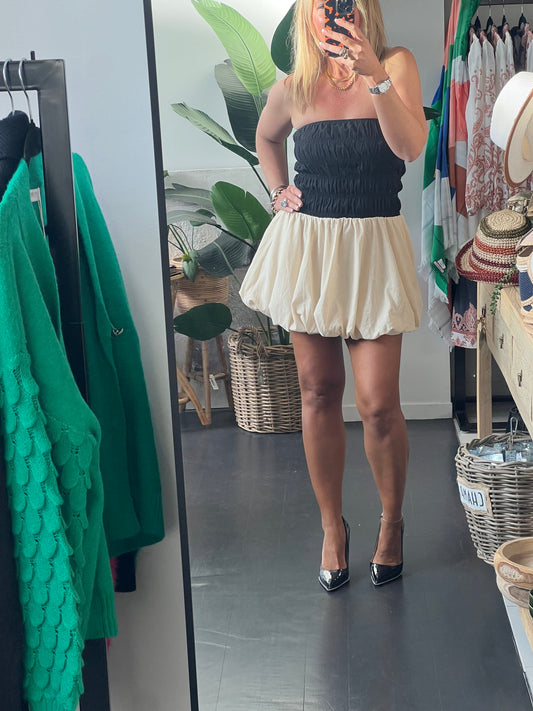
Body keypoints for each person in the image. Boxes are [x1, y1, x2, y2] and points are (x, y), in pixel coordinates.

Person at [239, 0, 427, 591]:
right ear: (307, 15)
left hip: (373, 250)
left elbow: (410, 147)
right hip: (311, 253)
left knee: (378, 404)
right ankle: (331, 528)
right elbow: (265, 137)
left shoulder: (395, 64)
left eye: (345, 3)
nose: (334, 12)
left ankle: (392, 523)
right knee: (318, 392)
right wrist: (278, 192)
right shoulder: (295, 85)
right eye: (323, 4)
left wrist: (373, 74)